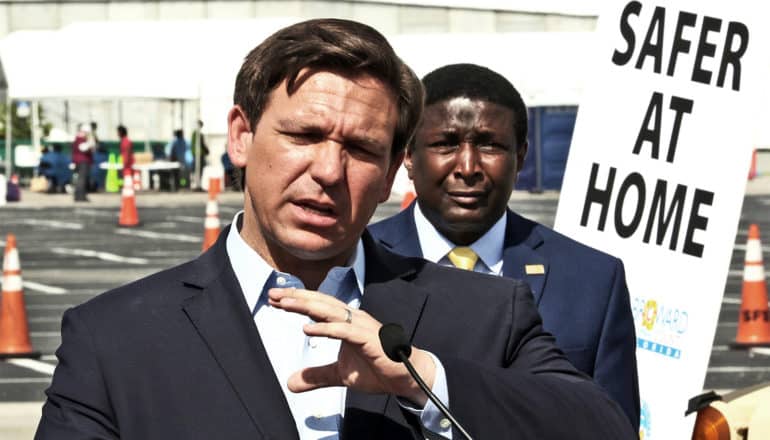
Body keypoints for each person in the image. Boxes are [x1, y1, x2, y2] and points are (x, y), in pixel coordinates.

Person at [36, 20, 635, 439]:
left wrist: (425, 380)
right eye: (304, 136)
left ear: (393, 170)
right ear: (242, 136)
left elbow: (603, 426)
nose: (327, 170)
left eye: (361, 148)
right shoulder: (113, 339)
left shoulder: (487, 312)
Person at [368, 63, 640, 429]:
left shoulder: (593, 280)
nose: (468, 166)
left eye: (490, 145)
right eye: (445, 144)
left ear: (521, 157)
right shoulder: (354, 263)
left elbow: (613, 427)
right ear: (408, 157)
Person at [70, 123, 94, 202]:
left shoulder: (78, 138)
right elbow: (83, 148)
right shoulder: (81, 138)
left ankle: (80, 195)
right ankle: (80, 196)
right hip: (82, 161)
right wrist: (90, 143)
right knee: (82, 179)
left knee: (81, 179)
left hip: (80, 161)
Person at [191, 119, 209, 188]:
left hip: (196, 154)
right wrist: (207, 151)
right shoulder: (198, 134)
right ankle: (197, 184)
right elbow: (202, 144)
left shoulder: (195, 133)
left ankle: (197, 184)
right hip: (199, 154)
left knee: (196, 169)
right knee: (199, 169)